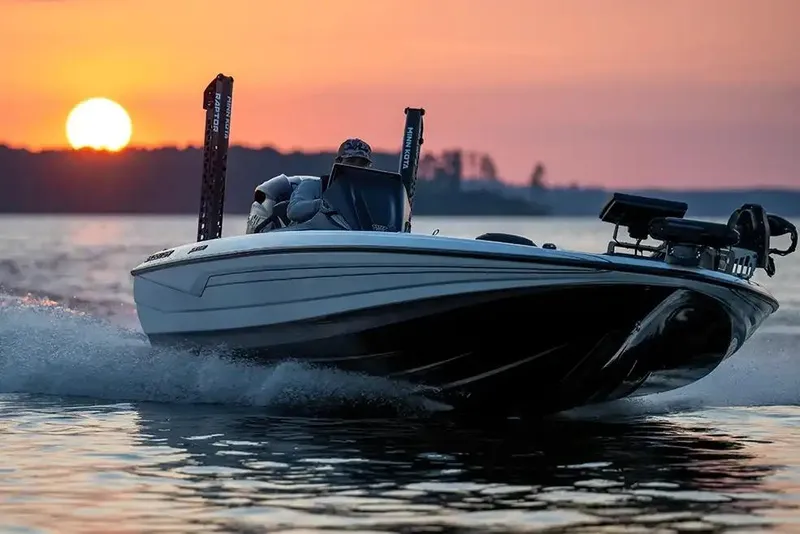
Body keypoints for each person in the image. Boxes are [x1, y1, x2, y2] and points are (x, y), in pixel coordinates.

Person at [286, 138, 373, 224]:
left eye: (362, 164)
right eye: (351, 161)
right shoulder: (314, 186)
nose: (357, 167)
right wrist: (324, 204)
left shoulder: (370, 195)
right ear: (338, 162)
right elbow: (294, 211)